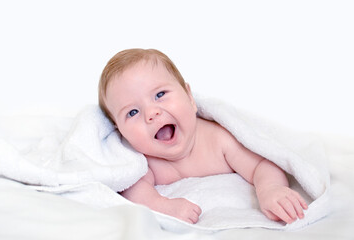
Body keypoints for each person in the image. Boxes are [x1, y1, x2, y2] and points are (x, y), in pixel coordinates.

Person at [98, 48, 308, 224]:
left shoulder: (218, 140)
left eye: (160, 95)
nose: (151, 114)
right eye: (132, 112)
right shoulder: (144, 162)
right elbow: (133, 191)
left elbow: (262, 164)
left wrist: (271, 189)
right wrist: (162, 206)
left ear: (189, 97)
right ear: (119, 130)